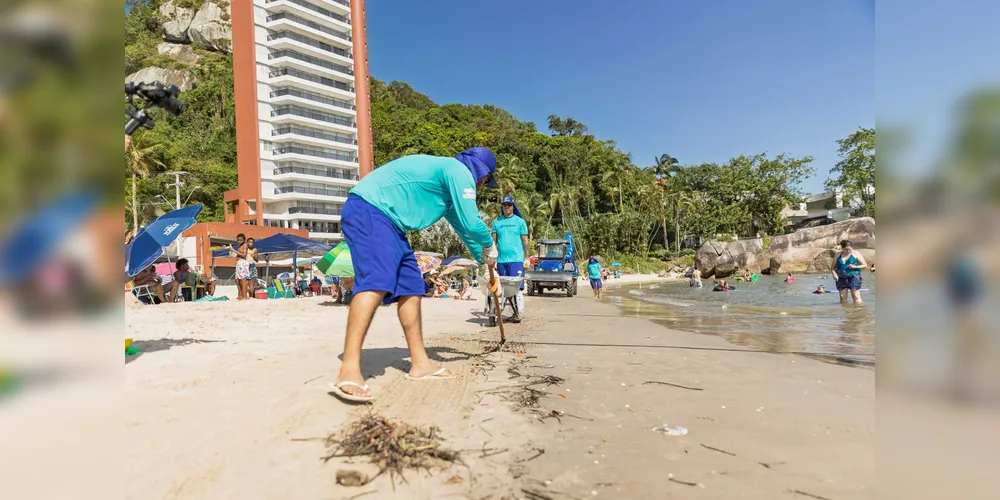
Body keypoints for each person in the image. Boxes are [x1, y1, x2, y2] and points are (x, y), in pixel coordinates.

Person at [330, 147, 500, 402]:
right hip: (371, 209)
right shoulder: (459, 171)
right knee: (376, 280)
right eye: (486, 181)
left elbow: (464, 230)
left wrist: (485, 261)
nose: (483, 186)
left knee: (411, 285)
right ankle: (349, 369)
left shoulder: (448, 190)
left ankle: (420, 363)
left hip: (392, 224)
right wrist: (490, 245)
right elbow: (472, 222)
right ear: (482, 173)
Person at [491, 195, 530, 323]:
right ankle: (508, 311)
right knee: (504, 288)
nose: (506, 207)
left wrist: (527, 257)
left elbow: (525, 241)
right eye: (504, 205)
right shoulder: (497, 222)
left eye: (508, 205)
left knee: (515, 287)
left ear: (513, 206)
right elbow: (493, 242)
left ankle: (517, 312)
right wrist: (491, 258)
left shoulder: (520, 222)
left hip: (517, 259)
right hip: (501, 261)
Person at [832, 239, 867, 304]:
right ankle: (846, 313)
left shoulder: (856, 254)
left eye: (849, 249)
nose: (848, 251)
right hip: (841, 278)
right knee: (842, 297)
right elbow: (833, 268)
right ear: (842, 248)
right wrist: (834, 274)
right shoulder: (837, 255)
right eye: (845, 249)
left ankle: (858, 313)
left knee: (855, 297)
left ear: (852, 248)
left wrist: (855, 267)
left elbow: (865, 265)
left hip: (854, 277)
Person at [231, 234, 250, 300]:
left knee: (243, 280)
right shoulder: (240, 246)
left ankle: (245, 296)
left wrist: (233, 250)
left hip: (242, 262)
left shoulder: (245, 245)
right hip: (238, 263)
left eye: (241, 240)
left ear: (244, 240)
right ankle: (241, 295)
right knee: (237, 280)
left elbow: (244, 255)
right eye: (238, 240)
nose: (239, 241)